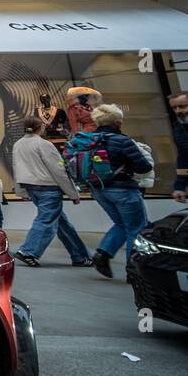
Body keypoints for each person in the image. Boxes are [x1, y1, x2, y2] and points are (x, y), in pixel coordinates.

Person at [80, 104, 154, 278]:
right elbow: (143, 167)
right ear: (117, 121)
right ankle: (134, 270)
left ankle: (103, 254)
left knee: (122, 224)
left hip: (99, 190)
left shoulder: (89, 140)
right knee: (136, 227)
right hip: (123, 189)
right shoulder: (123, 141)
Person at [11, 116, 91, 268]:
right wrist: (73, 193)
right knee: (47, 221)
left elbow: (17, 168)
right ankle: (28, 251)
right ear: (40, 128)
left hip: (31, 188)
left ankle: (80, 256)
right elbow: (59, 170)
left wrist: (21, 191)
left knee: (61, 223)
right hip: (48, 188)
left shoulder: (18, 144)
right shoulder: (43, 144)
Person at [170, 90, 188, 203]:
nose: (178, 111)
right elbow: (183, 157)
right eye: (174, 108)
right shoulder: (179, 129)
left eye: (182, 106)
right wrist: (179, 186)